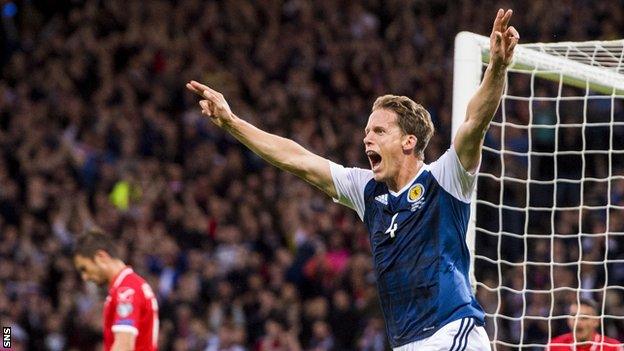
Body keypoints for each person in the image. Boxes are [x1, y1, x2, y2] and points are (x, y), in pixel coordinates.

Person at [186, 8, 519, 350]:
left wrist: (496, 67)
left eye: (379, 130)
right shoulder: (367, 191)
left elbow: (474, 123)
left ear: (409, 141)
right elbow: (298, 159)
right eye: (366, 131)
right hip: (408, 343)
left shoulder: (445, 178)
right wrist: (232, 123)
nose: (367, 139)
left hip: (452, 332)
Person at [73, 228, 159, 351]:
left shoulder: (126, 291)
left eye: (84, 269)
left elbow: (124, 346)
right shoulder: (129, 286)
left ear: (101, 257)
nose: (84, 277)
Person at [548, 298, 622, 351]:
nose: (578, 322)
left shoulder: (613, 347)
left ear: (596, 322)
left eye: (584, 318)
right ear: (568, 320)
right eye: (574, 317)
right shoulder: (554, 345)